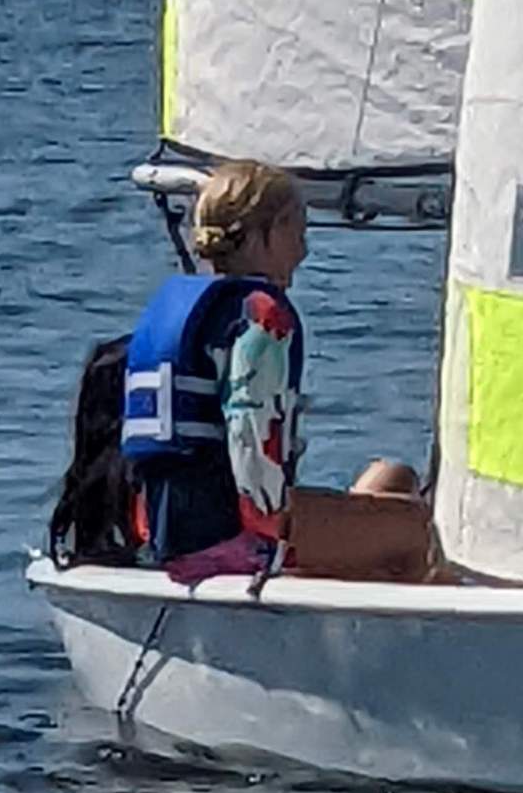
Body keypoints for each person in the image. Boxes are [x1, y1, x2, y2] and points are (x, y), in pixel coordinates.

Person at [122, 159, 432, 585]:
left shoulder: (186, 309)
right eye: (297, 232)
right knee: (422, 532)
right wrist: (277, 544)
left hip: (166, 529)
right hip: (233, 536)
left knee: (396, 478)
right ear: (265, 233)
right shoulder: (262, 318)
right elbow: (250, 440)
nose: (303, 251)